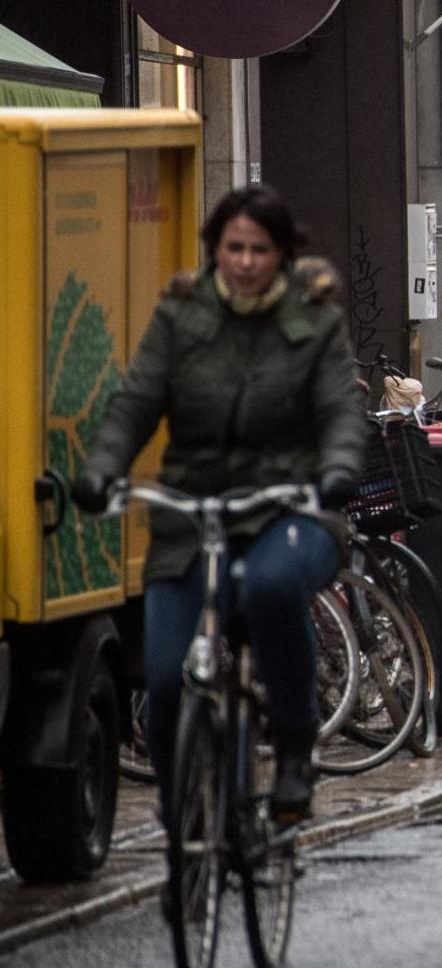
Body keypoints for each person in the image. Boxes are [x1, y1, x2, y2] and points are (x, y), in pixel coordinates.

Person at [72, 186, 364, 828]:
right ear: (214, 250)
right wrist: (101, 469)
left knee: (271, 586)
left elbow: (341, 408)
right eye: (234, 247)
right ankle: (185, 829)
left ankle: (292, 747)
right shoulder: (181, 317)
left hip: (290, 506)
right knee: (168, 672)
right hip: (192, 514)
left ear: (283, 255)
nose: (246, 261)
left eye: (260, 249)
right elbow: (136, 400)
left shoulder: (314, 320)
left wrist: (338, 468)